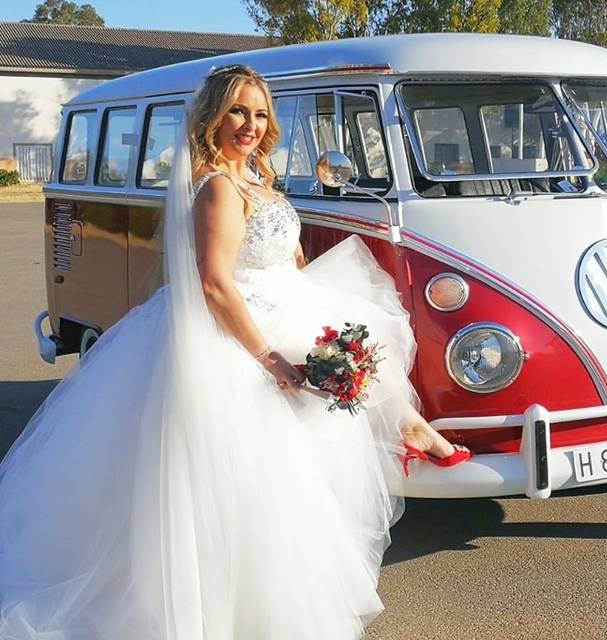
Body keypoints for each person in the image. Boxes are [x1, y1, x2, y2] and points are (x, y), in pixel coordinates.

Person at [0, 64, 469, 638]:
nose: (250, 124)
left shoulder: (256, 181)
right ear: (213, 118)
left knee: (311, 453)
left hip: (286, 308)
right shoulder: (218, 188)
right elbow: (214, 283)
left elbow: (283, 256)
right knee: (245, 480)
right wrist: (269, 357)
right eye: (238, 112)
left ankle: (409, 426)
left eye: (260, 113)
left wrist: (314, 303)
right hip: (238, 338)